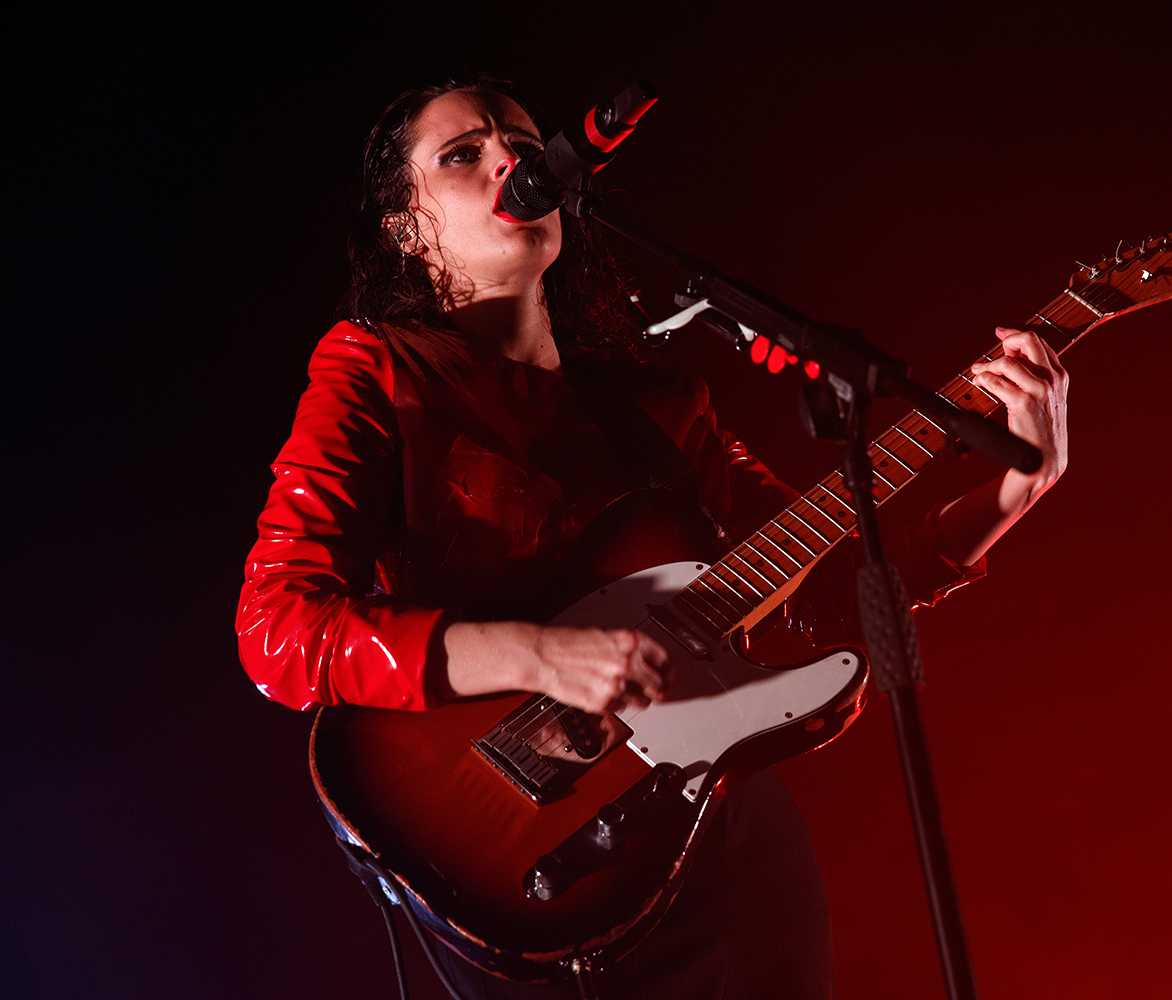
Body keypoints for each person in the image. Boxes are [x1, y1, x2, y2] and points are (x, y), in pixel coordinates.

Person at [236, 78, 1068, 1000]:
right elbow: (279, 627)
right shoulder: (376, 366)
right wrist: (541, 655)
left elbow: (832, 591)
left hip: (723, 828)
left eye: (523, 144)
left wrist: (1014, 489)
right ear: (403, 229)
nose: (510, 159)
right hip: (529, 848)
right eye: (463, 154)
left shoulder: (658, 398)